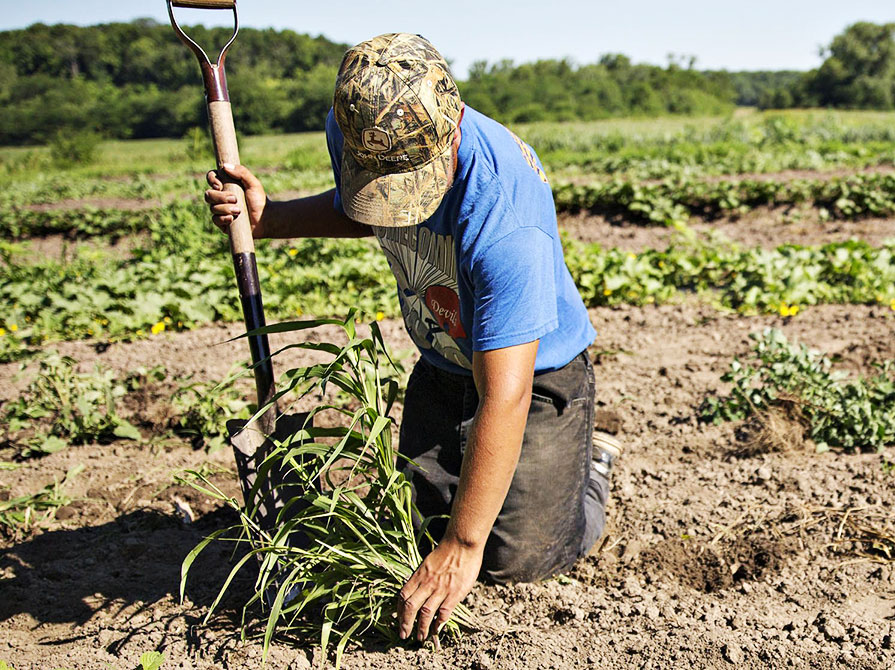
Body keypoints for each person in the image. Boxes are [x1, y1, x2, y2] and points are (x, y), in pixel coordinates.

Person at [203, 33, 620, 644]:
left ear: (451, 133)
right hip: (444, 360)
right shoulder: (358, 126)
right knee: (417, 531)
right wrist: (277, 220)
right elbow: (366, 206)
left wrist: (463, 543)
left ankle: (592, 468)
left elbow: (505, 396)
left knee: (514, 559)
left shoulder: (506, 215)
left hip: (535, 378)